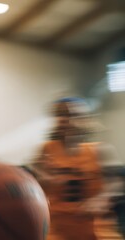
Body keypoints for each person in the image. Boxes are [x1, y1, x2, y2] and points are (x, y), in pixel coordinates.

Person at [30, 97, 105, 240]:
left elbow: (114, 183)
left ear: (85, 119)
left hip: (94, 228)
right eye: (61, 114)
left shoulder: (99, 150)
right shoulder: (46, 150)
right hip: (57, 229)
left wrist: (101, 198)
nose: (66, 119)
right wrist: (43, 179)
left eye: (73, 115)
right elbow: (33, 184)